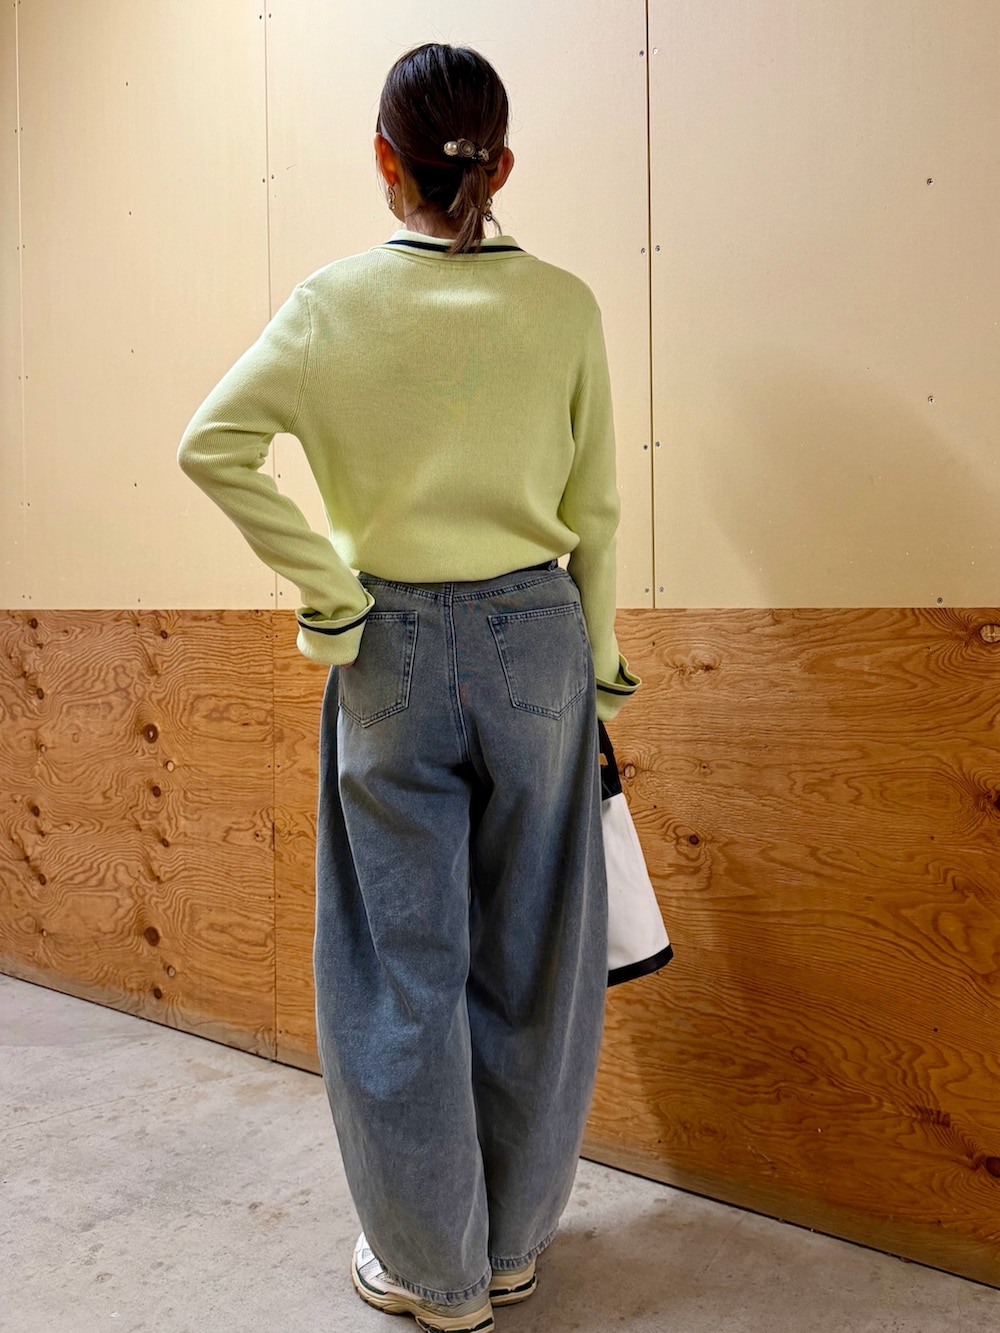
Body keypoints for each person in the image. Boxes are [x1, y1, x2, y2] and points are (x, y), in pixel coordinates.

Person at [177, 41, 639, 1333]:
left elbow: (212, 445)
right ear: (504, 164)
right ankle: (512, 1247)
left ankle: (433, 1271)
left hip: (388, 645)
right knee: (538, 951)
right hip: (539, 640)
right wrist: (602, 665)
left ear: (385, 158)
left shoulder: (330, 305)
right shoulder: (566, 306)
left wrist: (328, 588)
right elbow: (598, 510)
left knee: (399, 963)